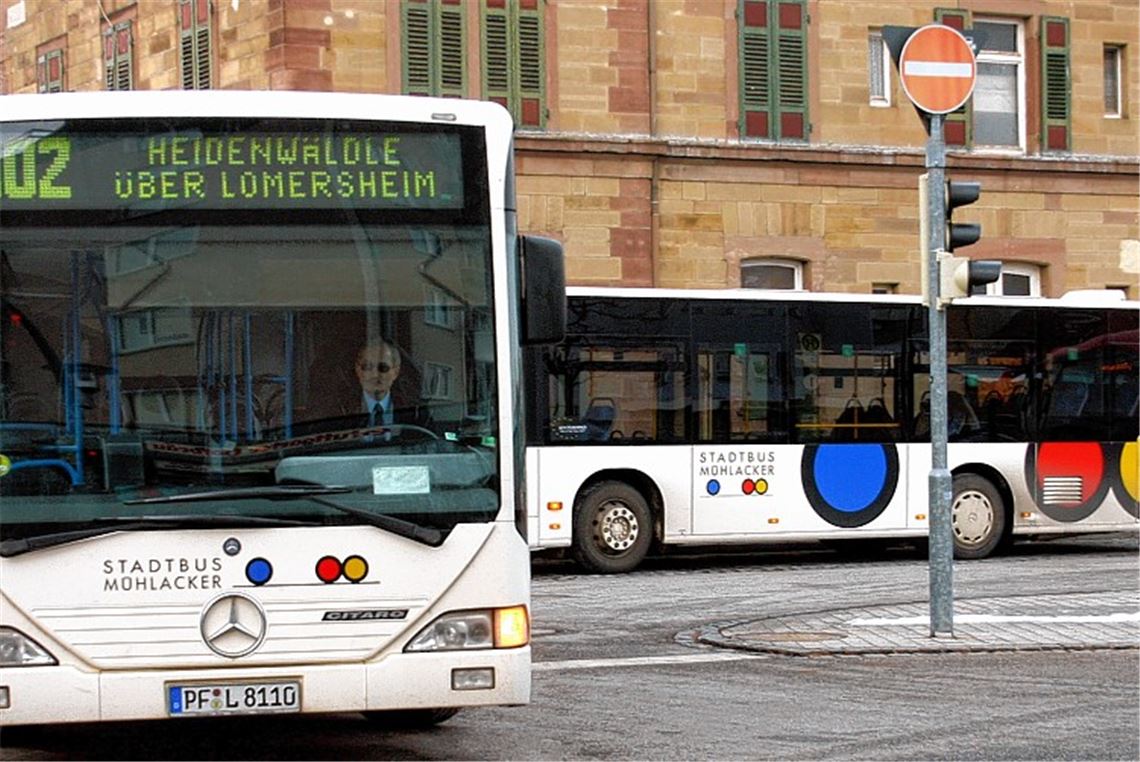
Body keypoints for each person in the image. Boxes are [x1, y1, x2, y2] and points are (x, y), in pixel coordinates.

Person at [307, 337, 433, 432]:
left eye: (383, 368)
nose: (374, 375)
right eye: (367, 367)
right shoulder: (337, 411)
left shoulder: (417, 413)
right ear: (358, 370)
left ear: (396, 372)